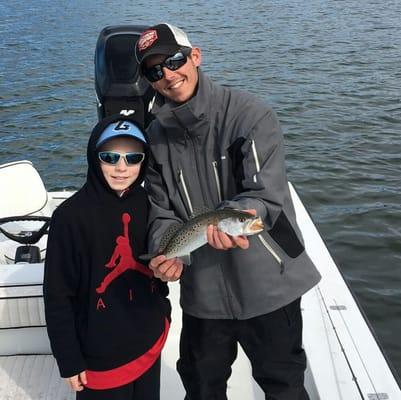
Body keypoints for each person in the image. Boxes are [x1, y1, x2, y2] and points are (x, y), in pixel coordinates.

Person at [135, 23, 322, 400]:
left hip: (269, 284)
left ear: (195, 56)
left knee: (284, 386)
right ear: (150, 82)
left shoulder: (250, 115)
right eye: (155, 70)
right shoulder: (154, 138)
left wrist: (235, 216)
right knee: (202, 388)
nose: (169, 75)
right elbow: (161, 210)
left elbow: (265, 196)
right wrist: (165, 252)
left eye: (174, 60)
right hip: (203, 292)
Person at [43, 115, 171, 400]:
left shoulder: (151, 204)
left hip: (149, 343)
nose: (122, 168)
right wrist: (69, 358)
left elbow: (156, 263)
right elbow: (57, 295)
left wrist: (164, 310)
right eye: (110, 157)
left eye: (133, 157)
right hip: (98, 359)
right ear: (94, 157)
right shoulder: (68, 217)